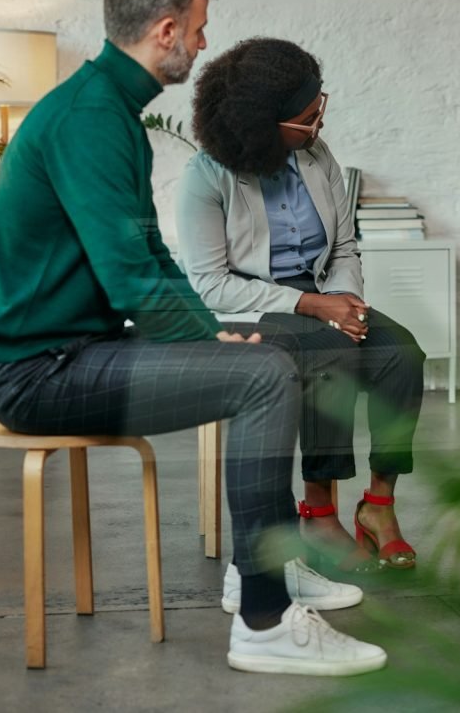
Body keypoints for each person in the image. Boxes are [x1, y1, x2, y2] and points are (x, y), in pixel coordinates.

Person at [0, 0, 386, 675]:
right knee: (260, 376)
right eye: (197, 29)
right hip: (40, 374)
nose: (200, 45)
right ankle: (264, 620)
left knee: (270, 353)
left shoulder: (109, 114)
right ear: (165, 29)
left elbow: (150, 254)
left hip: (80, 353)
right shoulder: (89, 121)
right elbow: (130, 279)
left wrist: (212, 329)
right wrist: (212, 339)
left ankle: (270, 566)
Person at [175, 37, 425, 574]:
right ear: (262, 125)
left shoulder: (317, 156)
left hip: (323, 295)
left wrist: (344, 299)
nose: (318, 126)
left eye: (318, 111)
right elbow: (211, 285)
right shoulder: (206, 176)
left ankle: (379, 505)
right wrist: (311, 305)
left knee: (403, 352)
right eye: (306, 119)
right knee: (327, 346)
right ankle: (318, 509)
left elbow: (343, 245)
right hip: (251, 308)